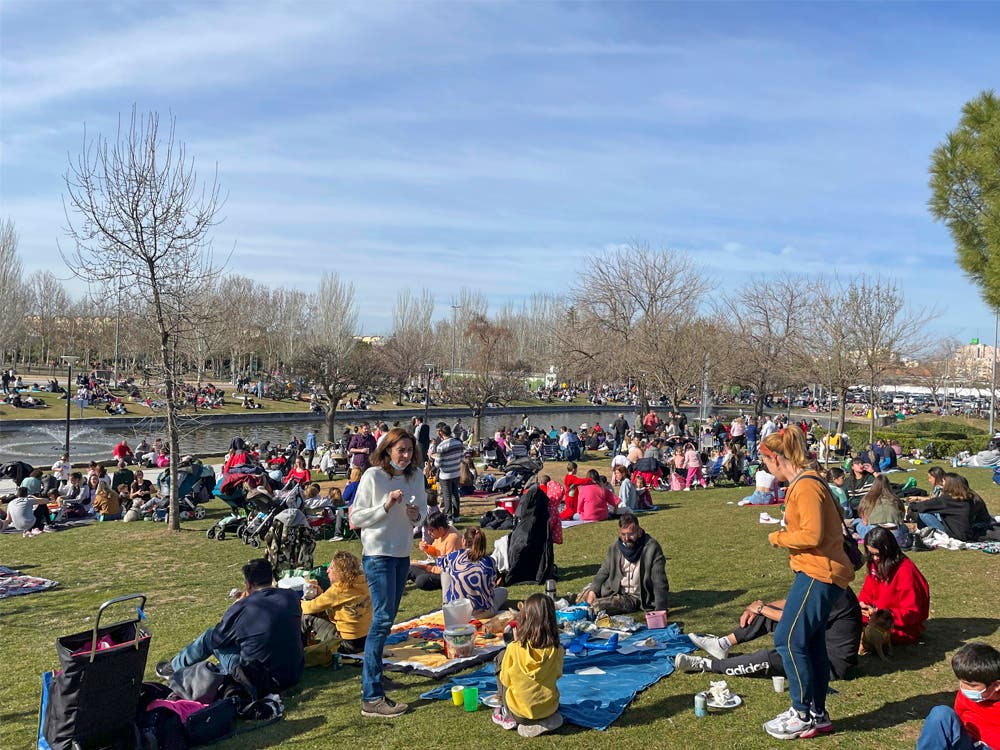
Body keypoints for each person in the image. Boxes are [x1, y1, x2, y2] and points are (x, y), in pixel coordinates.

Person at [759, 428, 854, 741]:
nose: (764, 468)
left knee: (786, 639)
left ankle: (800, 713)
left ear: (776, 458)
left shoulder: (805, 486)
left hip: (820, 572)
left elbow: (811, 535)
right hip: (818, 571)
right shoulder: (806, 482)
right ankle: (818, 714)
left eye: (765, 461)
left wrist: (778, 538)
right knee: (811, 642)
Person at [349, 427, 426, 718]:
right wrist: (386, 505)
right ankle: (372, 697)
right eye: (400, 451)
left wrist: (416, 516)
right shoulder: (373, 476)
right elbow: (356, 517)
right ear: (387, 450)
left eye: (409, 451)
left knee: (388, 620)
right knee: (381, 620)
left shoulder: (415, 476)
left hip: (401, 554)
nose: (405, 456)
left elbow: (424, 509)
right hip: (378, 555)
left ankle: (376, 675)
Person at [155, 559, 304, 693]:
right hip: (293, 674)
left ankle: (174, 666)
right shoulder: (291, 597)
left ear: (247, 584)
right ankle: (178, 665)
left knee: (209, 636)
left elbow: (216, 639)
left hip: (259, 681)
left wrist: (236, 607)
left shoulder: (243, 608)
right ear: (272, 578)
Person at [677, 587, 862, 681]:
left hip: (828, 666)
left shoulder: (835, 594)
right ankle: (722, 644)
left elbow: (794, 619)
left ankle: (708, 665)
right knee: (767, 614)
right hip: (816, 644)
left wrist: (761, 607)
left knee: (769, 657)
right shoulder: (825, 583)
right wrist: (761, 608)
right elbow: (791, 602)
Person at [493, 593, 565, 738]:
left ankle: (505, 713)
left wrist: (513, 646)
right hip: (549, 709)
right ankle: (543, 718)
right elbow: (557, 674)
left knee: (500, 658)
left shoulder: (514, 648)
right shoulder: (557, 650)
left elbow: (506, 680)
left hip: (519, 713)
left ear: (526, 618)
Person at [578, 512, 669, 615]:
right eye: (623, 534)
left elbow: (659, 581)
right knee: (583, 598)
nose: (626, 539)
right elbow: (604, 570)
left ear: (639, 531)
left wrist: (661, 609)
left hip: (635, 597)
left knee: (596, 607)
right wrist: (593, 590)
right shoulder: (615, 547)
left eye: (630, 534)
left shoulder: (652, 548)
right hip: (614, 590)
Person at [916, 642, 1000, 750]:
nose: (964, 689)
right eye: (961, 682)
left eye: (972, 685)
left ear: (996, 685)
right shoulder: (965, 696)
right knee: (940, 714)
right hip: (968, 743)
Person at [858, 527, 930, 644]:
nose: (875, 558)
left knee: (873, 634)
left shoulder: (906, 571)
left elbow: (912, 612)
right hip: (874, 616)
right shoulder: (874, 565)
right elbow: (867, 592)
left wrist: (881, 614)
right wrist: (863, 605)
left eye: (878, 554)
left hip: (895, 623)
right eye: (871, 554)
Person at [300, 551, 372, 654]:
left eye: (331, 568)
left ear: (341, 572)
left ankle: (301, 650)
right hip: (367, 640)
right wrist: (322, 595)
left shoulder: (339, 590)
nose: (327, 570)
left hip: (347, 644)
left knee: (306, 617)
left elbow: (309, 608)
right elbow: (338, 602)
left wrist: (296, 601)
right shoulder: (364, 582)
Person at [440, 527, 507, 617]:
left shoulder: (454, 556)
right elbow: (491, 586)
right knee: (503, 591)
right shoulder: (490, 561)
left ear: (464, 541)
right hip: (483, 613)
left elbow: (440, 564)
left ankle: (446, 604)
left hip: (455, 611)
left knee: (445, 570)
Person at [908, 473, 978, 541]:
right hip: (967, 533)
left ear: (949, 485)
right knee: (933, 512)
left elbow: (923, 506)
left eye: (944, 481)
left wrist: (910, 507)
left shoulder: (947, 500)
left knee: (923, 514)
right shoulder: (967, 498)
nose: (942, 484)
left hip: (953, 535)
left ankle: (922, 533)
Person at [408, 512, 462, 590]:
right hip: (439, 567)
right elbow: (437, 550)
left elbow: (448, 569)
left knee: (421, 580)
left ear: (440, 529)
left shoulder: (452, 539)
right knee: (408, 567)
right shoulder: (442, 533)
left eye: (431, 530)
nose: (429, 533)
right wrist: (426, 548)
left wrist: (428, 568)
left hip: (449, 575)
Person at [853, 475, 907, 544]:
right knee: (904, 527)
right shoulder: (896, 499)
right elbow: (901, 519)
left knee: (857, 521)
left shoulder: (867, 499)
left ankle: (858, 535)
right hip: (894, 534)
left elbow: (864, 521)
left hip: (874, 534)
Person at [432, 422, 465, 521]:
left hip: (445, 474)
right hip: (456, 472)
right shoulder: (459, 443)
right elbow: (462, 458)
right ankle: (457, 515)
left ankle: (448, 516)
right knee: (455, 495)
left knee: (447, 496)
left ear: (442, 433)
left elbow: (437, 464)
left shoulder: (441, 446)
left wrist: (433, 457)